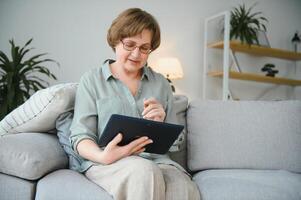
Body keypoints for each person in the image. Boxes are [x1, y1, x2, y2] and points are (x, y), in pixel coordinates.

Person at [70, 7, 200, 200]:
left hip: (159, 161)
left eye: (144, 48)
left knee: (182, 186)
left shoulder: (161, 83)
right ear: (116, 41)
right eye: (130, 45)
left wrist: (162, 123)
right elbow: (80, 135)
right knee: (144, 172)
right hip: (108, 162)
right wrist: (102, 156)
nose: (136, 54)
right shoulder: (92, 80)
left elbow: (176, 144)